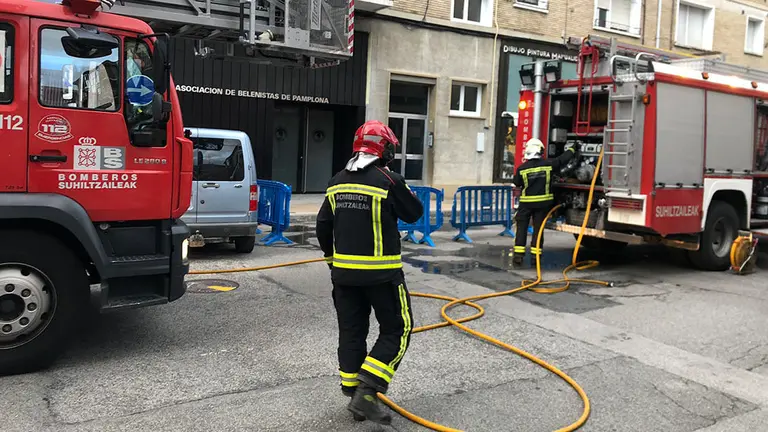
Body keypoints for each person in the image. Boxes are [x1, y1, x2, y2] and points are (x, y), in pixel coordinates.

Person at [316, 120, 424, 425]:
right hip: (382, 275)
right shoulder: (388, 180)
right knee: (398, 328)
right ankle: (367, 391)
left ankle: (354, 394)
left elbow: (322, 225)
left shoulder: (337, 181)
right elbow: (414, 213)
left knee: (352, 331)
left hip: (343, 276)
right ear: (385, 150)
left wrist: (331, 260)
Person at [511, 138, 580, 267]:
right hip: (543, 204)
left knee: (521, 229)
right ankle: (535, 257)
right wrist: (573, 148)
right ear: (539, 151)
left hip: (526, 204)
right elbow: (562, 160)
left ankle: (518, 256)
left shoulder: (521, 169)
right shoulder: (549, 164)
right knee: (538, 230)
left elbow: (516, 184)